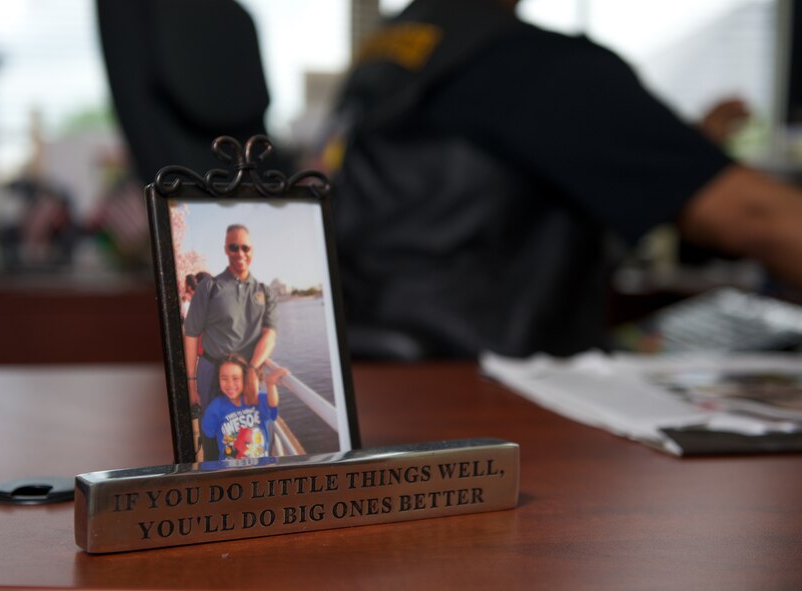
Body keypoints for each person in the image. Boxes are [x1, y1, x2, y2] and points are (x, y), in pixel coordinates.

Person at [323, 0, 802, 359]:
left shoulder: (396, 48)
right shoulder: (535, 64)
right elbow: (756, 218)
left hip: (390, 382)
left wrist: (692, 149)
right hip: (496, 394)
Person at [184, 224, 278, 438]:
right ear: (226, 249)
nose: (240, 253)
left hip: (247, 375)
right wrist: (191, 382)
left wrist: (253, 369)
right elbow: (190, 334)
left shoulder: (265, 292)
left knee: (249, 438)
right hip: (212, 373)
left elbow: (270, 334)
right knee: (212, 436)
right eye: (234, 247)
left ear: (252, 250)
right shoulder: (208, 287)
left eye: (245, 248)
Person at [200, 353, 289, 460]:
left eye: (235, 378)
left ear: (245, 378)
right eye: (224, 378)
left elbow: (272, 406)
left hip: (260, 466)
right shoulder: (215, 407)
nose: (230, 384)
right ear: (218, 379)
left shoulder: (257, 400)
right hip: (230, 469)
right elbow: (209, 432)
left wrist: (270, 384)